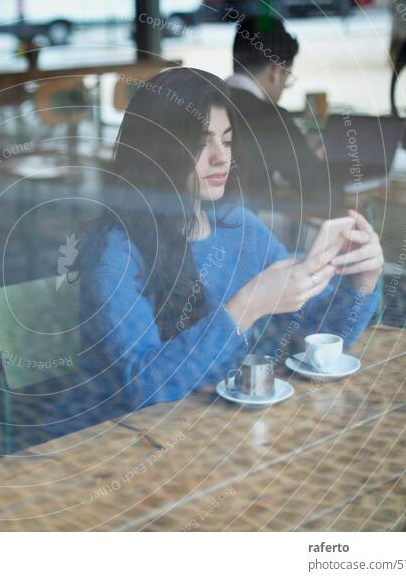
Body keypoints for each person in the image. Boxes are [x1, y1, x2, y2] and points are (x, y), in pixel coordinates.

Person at [50, 68, 382, 435]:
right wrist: (247, 307)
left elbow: (314, 336)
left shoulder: (240, 229)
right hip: (112, 443)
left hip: (210, 433)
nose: (221, 158)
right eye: (200, 143)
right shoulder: (114, 250)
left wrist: (361, 281)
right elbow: (145, 390)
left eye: (226, 141)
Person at [226, 14, 342, 212]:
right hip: (238, 232)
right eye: (287, 78)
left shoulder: (202, 98)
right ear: (276, 71)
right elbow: (325, 192)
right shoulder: (270, 118)